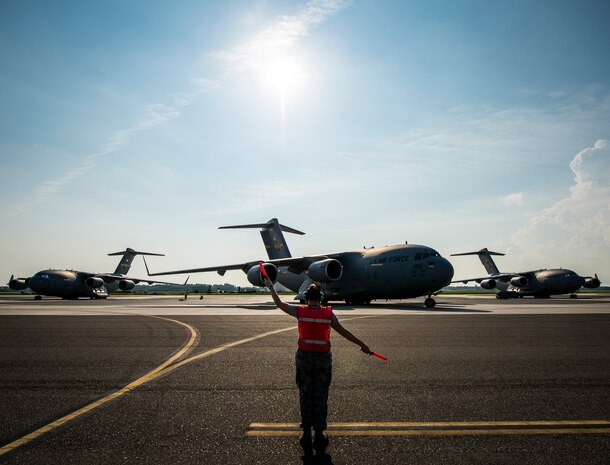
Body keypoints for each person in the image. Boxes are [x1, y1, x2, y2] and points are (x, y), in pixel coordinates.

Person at [264, 279, 372, 458]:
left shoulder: (299, 311)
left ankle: (306, 433)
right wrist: (362, 345)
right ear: (321, 298)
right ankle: (319, 433)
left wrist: (270, 286)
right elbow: (344, 332)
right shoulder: (328, 314)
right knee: (321, 395)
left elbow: (278, 303)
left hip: (304, 358)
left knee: (305, 394)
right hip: (323, 359)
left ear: (306, 297)